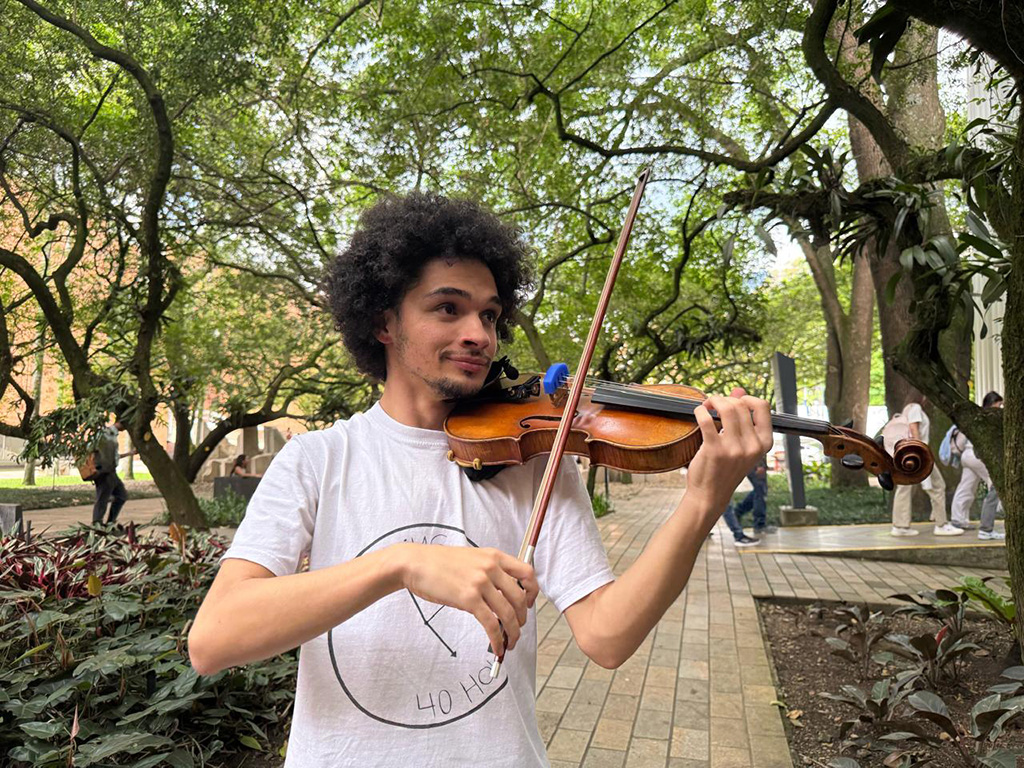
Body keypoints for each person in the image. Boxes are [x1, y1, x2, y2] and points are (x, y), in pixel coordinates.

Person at [187, 192, 773, 768]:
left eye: (489, 315)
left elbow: (607, 635)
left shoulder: (533, 460)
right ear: (383, 321)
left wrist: (701, 504)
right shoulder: (317, 459)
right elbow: (214, 639)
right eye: (448, 308)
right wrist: (400, 564)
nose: (480, 334)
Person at [890, 396, 963, 537]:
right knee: (937, 486)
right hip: (919, 455)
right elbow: (913, 427)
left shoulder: (906, 408)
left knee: (904, 488)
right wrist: (920, 451)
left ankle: (900, 525)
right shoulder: (915, 408)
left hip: (905, 454)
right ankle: (941, 524)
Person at [950, 391, 1004, 540]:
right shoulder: (991, 417)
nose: (1000, 407)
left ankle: (958, 519)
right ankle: (989, 525)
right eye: (999, 404)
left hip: (967, 456)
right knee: (996, 484)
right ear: (992, 403)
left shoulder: (976, 416)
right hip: (979, 456)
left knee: (966, 487)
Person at [721, 456, 773, 547]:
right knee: (724, 501)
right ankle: (740, 534)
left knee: (722, 500)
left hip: (730, 462)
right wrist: (760, 464)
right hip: (743, 461)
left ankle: (740, 519)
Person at [91, 420, 131, 526]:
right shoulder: (105, 434)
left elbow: (115, 456)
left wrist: (130, 453)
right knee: (102, 498)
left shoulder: (113, 436)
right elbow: (91, 448)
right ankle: (97, 524)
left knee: (121, 496)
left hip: (112, 471)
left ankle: (110, 522)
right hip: (103, 471)